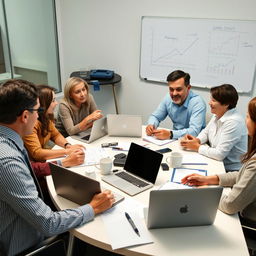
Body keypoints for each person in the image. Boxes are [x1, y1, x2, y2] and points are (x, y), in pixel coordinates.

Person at [0, 79, 114, 255]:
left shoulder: (8, 140)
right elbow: (49, 224)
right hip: (29, 246)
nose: (39, 116)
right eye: (37, 111)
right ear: (24, 116)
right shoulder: (8, 163)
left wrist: (62, 161)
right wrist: (93, 207)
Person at [181, 96, 256, 223]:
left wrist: (206, 191)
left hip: (246, 216)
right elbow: (243, 175)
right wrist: (209, 179)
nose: (245, 120)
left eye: (248, 116)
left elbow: (230, 205)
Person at [180, 84, 247, 172]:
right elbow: (206, 132)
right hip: (215, 162)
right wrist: (197, 140)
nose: (209, 103)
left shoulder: (234, 122)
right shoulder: (218, 113)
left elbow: (219, 154)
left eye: (214, 100)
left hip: (229, 170)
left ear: (226, 104)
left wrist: (197, 147)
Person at [23, 84, 84, 163]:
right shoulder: (31, 123)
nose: (56, 103)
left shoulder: (46, 116)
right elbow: (36, 153)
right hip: (33, 164)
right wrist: (66, 152)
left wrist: (68, 146)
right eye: (53, 101)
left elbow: (55, 135)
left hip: (43, 158)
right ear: (43, 104)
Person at [146, 70, 206, 140]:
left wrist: (171, 134)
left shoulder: (198, 103)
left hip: (194, 142)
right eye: (171, 89)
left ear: (188, 88)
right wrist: (151, 125)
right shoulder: (168, 98)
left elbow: (194, 132)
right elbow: (155, 117)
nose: (174, 93)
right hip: (174, 140)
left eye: (179, 89)